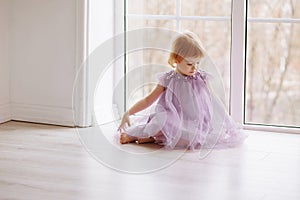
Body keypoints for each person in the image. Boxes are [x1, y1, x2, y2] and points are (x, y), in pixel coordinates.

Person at [118, 31, 246, 150]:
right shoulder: (168, 79)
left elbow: (214, 100)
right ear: (176, 60)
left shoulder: (201, 78)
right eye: (190, 64)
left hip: (194, 121)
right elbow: (148, 100)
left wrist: (228, 121)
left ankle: (153, 138)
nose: (194, 68)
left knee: (195, 137)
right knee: (162, 123)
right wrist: (128, 112)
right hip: (172, 118)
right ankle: (134, 136)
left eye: (197, 63)